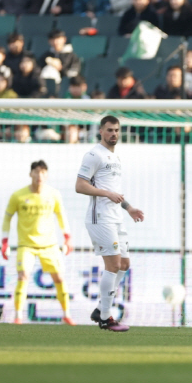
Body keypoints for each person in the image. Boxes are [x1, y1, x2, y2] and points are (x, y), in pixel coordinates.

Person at [76, 116, 145, 331]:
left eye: (116, 130)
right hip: (100, 218)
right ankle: (105, 317)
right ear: (101, 131)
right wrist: (106, 193)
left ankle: (100, 308)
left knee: (124, 265)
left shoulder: (115, 158)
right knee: (114, 265)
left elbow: (115, 192)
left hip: (116, 217)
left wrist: (129, 207)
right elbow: (80, 185)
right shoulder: (93, 155)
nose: (113, 134)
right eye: (109, 130)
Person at [2, 160, 74, 325]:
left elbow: (61, 216)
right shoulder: (18, 196)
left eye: (42, 172)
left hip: (49, 245)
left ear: (46, 175)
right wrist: (4, 241)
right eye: (36, 172)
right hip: (26, 245)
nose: (39, 176)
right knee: (23, 276)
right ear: (30, 174)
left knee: (60, 278)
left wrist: (67, 238)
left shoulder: (53, 194)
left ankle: (67, 314)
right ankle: (18, 316)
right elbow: (7, 218)